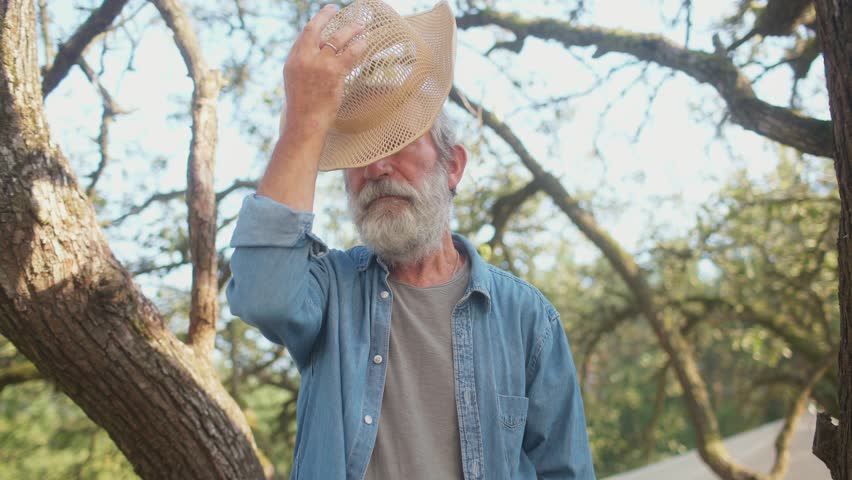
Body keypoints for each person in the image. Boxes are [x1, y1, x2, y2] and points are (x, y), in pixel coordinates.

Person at [226, 1, 595, 478]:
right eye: (359, 153)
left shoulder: (528, 318)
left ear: (454, 166)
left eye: (396, 142)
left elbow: (565, 470)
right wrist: (304, 121)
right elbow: (262, 294)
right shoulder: (330, 291)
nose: (375, 168)